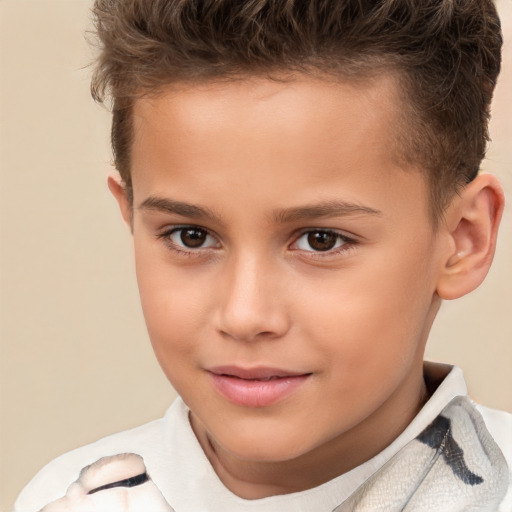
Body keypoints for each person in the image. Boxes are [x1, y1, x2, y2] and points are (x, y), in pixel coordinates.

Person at [14, 0, 512, 510]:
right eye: (190, 236)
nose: (245, 315)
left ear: (463, 240)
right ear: (132, 216)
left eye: (321, 240)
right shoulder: (63, 497)